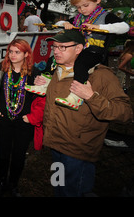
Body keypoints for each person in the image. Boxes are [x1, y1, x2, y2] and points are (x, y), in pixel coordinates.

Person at [38, 29, 132, 197]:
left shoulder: (101, 75)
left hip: (77, 153)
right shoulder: (57, 69)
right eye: (54, 47)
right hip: (54, 144)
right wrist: (44, 84)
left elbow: (125, 113)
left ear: (79, 48)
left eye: (62, 47)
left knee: (73, 192)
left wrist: (91, 97)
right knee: (58, 187)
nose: (56, 51)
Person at [25, 0, 129, 110]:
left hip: (95, 52)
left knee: (80, 63)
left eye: (85, 6)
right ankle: (45, 83)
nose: (82, 10)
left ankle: (76, 95)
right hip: (78, 50)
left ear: (98, 0)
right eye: (78, 7)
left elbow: (125, 27)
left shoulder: (105, 16)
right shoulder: (79, 18)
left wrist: (99, 27)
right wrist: (65, 23)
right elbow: (58, 24)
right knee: (54, 57)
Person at [0, 39, 45, 197]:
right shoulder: (0, 70)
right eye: (10, 51)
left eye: (17, 52)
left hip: (24, 123)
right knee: (3, 153)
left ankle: (13, 184)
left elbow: (42, 100)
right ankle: (2, 183)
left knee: (19, 155)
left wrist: (31, 117)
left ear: (26, 54)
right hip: (3, 121)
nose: (13, 55)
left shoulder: (35, 74)